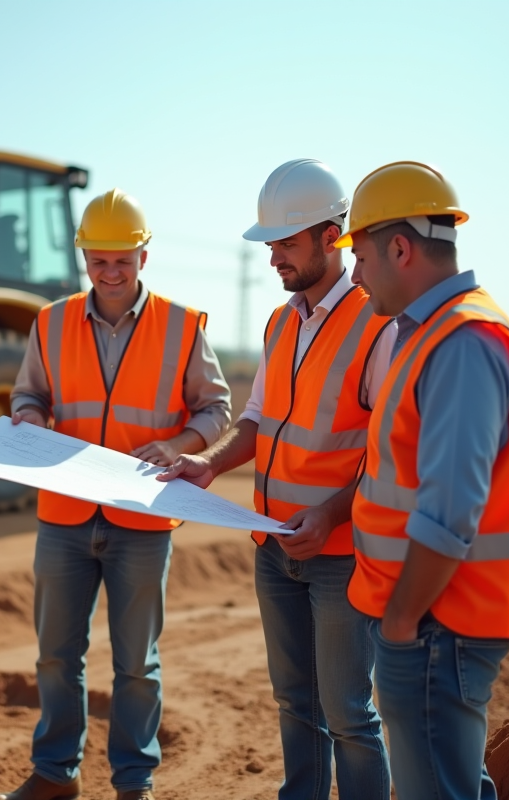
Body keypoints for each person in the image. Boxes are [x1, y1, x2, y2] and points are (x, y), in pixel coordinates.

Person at [158, 159, 394, 799]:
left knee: (349, 715)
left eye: (285, 244)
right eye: (270, 246)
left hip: (339, 554)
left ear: (331, 236)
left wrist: (330, 517)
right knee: (296, 703)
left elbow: (386, 454)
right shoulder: (281, 321)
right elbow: (259, 419)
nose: (273, 260)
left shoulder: (379, 323)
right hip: (273, 546)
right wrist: (209, 462)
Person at [0, 188, 232, 800]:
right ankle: (55, 775)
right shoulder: (50, 322)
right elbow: (28, 395)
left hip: (143, 520)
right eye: (98, 262)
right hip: (64, 518)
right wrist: (30, 418)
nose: (111, 273)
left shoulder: (183, 326)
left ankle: (134, 783)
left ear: (144, 257)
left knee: (136, 666)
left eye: (122, 260)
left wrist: (180, 443)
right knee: (55, 657)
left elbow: (216, 409)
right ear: (85, 261)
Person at [337, 161, 509, 800]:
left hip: (436, 623)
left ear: (400, 249)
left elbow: (452, 507)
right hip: (432, 621)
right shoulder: (431, 333)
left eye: (363, 257)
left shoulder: (461, 340)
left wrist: (401, 623)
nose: (355, 274)